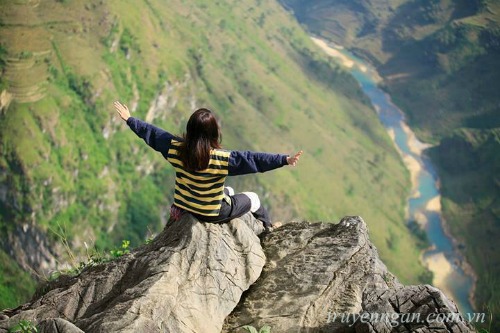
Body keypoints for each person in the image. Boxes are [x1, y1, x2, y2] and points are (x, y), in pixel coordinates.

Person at [114, 101, 302, 231]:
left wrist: (130, 119)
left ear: (189, 130)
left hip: (184, 206)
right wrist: (284, 159)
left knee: (228, 189)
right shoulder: (221, 159)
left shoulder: (175, 148)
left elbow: (152, 134)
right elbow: (253, 160)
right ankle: (268, 229)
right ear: (213, 133)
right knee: (254, 199)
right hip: (210, 213)